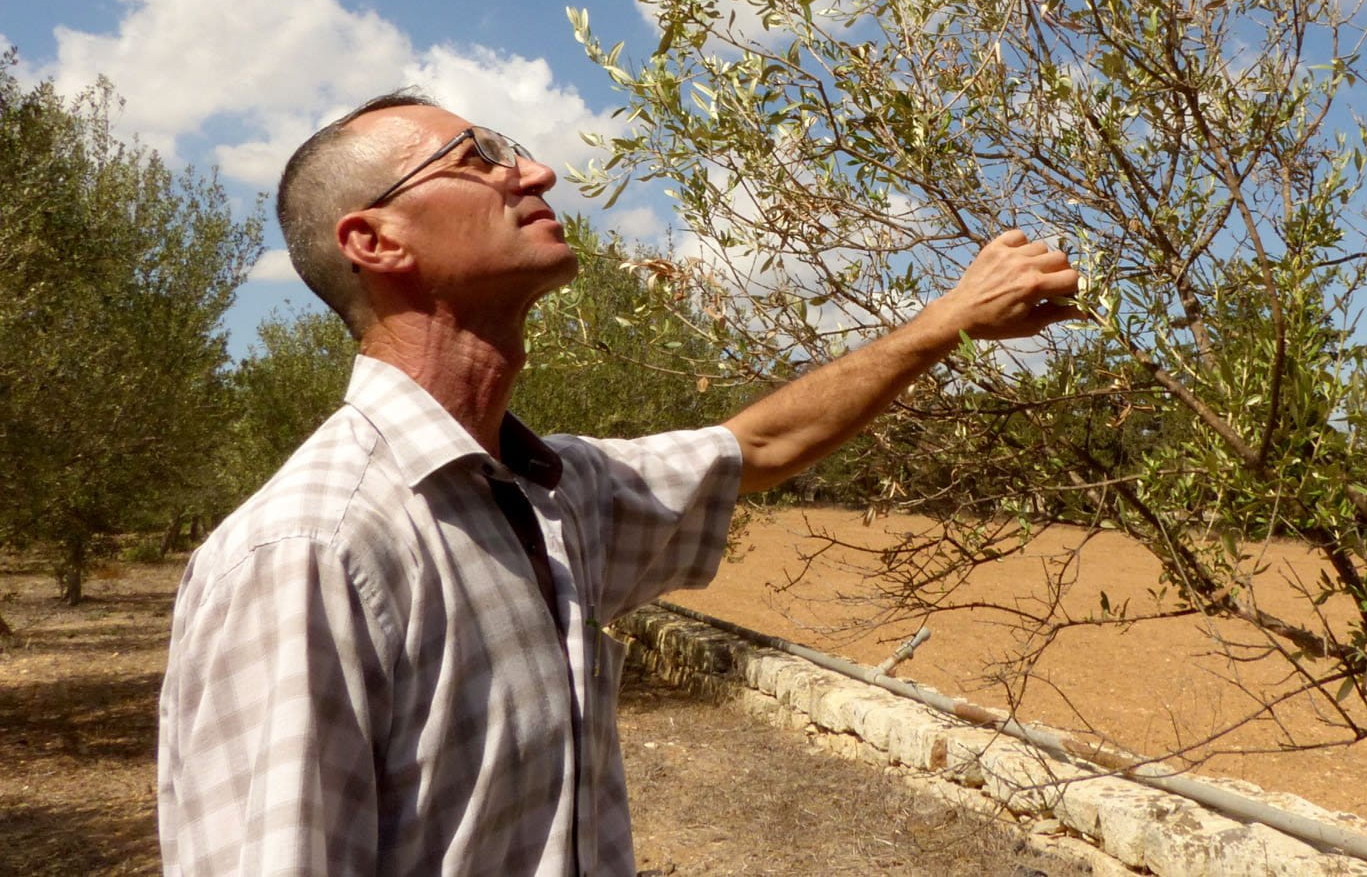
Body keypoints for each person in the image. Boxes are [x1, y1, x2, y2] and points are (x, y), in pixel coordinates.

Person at [157, 90, 1080, 876]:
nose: (536, 173)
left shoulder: (555, 494)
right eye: (476, 158)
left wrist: (943, 323)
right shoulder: (310, 552)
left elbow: (756, 447)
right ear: (376, 240)